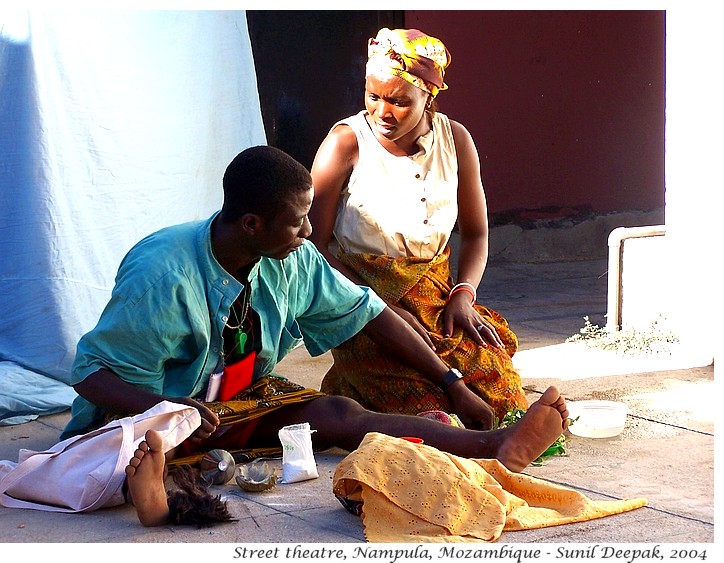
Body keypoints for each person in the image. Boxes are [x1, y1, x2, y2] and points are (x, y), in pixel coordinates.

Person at [65, 145, 569, 527]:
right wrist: (171, 411)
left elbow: (370, 313)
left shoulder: (293, 258)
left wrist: (452, 382)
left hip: (231, 403)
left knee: (336, 414)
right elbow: (90, 374)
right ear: (251, 224)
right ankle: (155, 496)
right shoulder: (162, 274)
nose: (309, 232)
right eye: (298, 221)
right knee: (136, 456)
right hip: (145, 412)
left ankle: (490, 444)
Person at [308, 28, 529, 422]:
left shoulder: (455, 139)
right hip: (360, 305)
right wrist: (381, 307)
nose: (383, 113)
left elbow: (476, 235)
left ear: (429, 96)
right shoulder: (346, 144)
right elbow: (311, 246)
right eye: (373, 97)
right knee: (429, 411)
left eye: (398, 101)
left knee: (502, 397)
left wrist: (463, 295)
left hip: (437, 301)